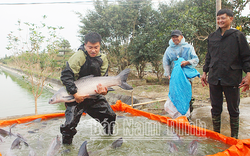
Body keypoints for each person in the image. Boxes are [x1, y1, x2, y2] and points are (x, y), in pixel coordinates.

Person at [201, 9, 250, 139]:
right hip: (214, 78)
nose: (220, 21)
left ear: (231, 19)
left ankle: (234, 137)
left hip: (231, 77)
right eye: (218, 19)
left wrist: (249, 74)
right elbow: (209, 56)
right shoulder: (212, 37)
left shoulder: (238, 36)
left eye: (223, 18)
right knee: (215, 108)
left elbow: (246, 57)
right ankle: (216, 135)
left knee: (233, 108)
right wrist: (205, 71)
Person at [60, 32, 116, 145]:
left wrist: (104, 91)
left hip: (93, 95)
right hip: (76, 94)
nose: (93, 50)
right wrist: (75, 94)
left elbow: (103, 80)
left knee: (110, 116)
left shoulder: (103, 58)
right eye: (90, 47)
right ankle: (66, 148)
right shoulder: (78, 56)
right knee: (69, 125)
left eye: (96, 47)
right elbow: (66, 76)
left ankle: (108, 140)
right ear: (85, 45)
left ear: (100, 46)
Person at [163, 30, 199, 114]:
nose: (175, 39)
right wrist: (168, 74)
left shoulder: (188, 47)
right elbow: (166, 63)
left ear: (181, 37)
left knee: (186, 93)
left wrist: (187, 62)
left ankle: (187, 114)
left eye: (177, 36)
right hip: (175, 76)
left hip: (186, 76)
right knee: (175, 93)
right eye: (173, 37)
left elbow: (196, 59)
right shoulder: (169, 49)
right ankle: (176, 114)